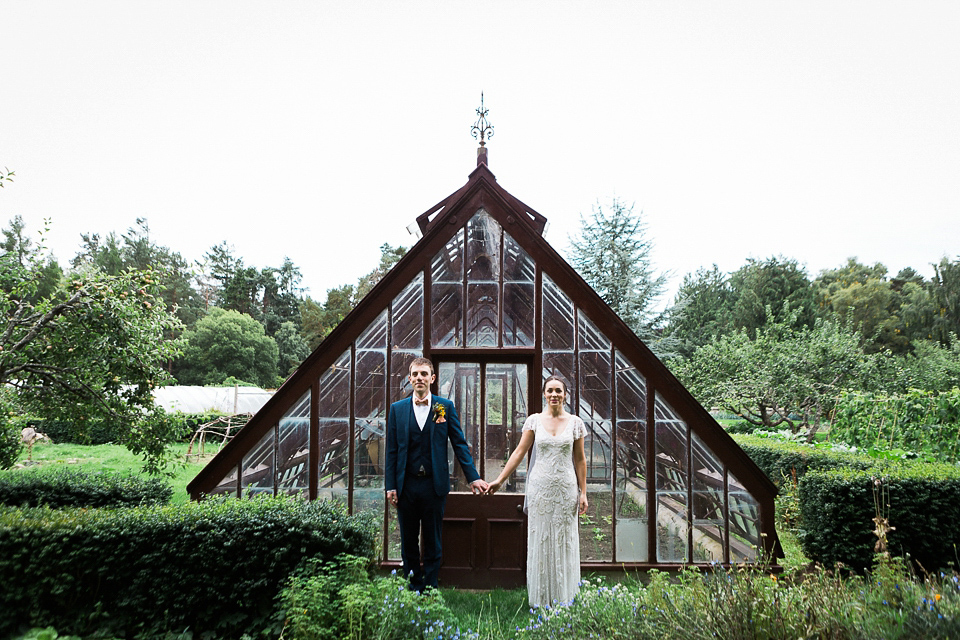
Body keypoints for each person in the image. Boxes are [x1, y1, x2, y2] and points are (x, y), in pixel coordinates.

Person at [385, 357, 488, 592]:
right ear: (410, 379)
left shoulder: (443, 407)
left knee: (432, 539)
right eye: (415, 374)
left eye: (424, 374)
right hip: (406, 486)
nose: (419, 378)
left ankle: (430, 588)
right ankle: (413, 587)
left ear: (432, 378)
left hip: (434, 486)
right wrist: (390, 486)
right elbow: (391, 451)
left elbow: (459, 444)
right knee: (409, 540)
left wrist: (473, 477)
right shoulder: (397, 410)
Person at [487, 375, 587, 607]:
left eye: (558, 391)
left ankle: (565, 597)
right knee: (541, 539)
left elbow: (580, 460)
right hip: (540, 489)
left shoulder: (575, 423)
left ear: (565, 395)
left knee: (564, 540)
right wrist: (500, 480)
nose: (554, 395)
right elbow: (519, 452)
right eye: (550, 390)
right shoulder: (533, 421)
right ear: (544, 394)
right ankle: (541, 599)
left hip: (565, 489)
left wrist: (583, 493)